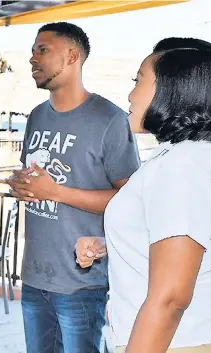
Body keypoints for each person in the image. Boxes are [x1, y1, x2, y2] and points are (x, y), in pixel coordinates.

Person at [6, 22, 140, 353]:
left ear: (72, 56)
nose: (32, 59)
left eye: (42, 50)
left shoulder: (110, 119)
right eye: (32, 51)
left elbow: (132, 201)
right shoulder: (36, 116)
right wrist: (20, 185)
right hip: (35, 275)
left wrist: (56, 193)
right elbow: (38, 179)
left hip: (82, 282)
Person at [102, 41, 211, 353]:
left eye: (138, 81)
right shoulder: (184, 157)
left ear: (171, 91)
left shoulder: (181, 165)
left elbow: (171, 296)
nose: (130, 95)